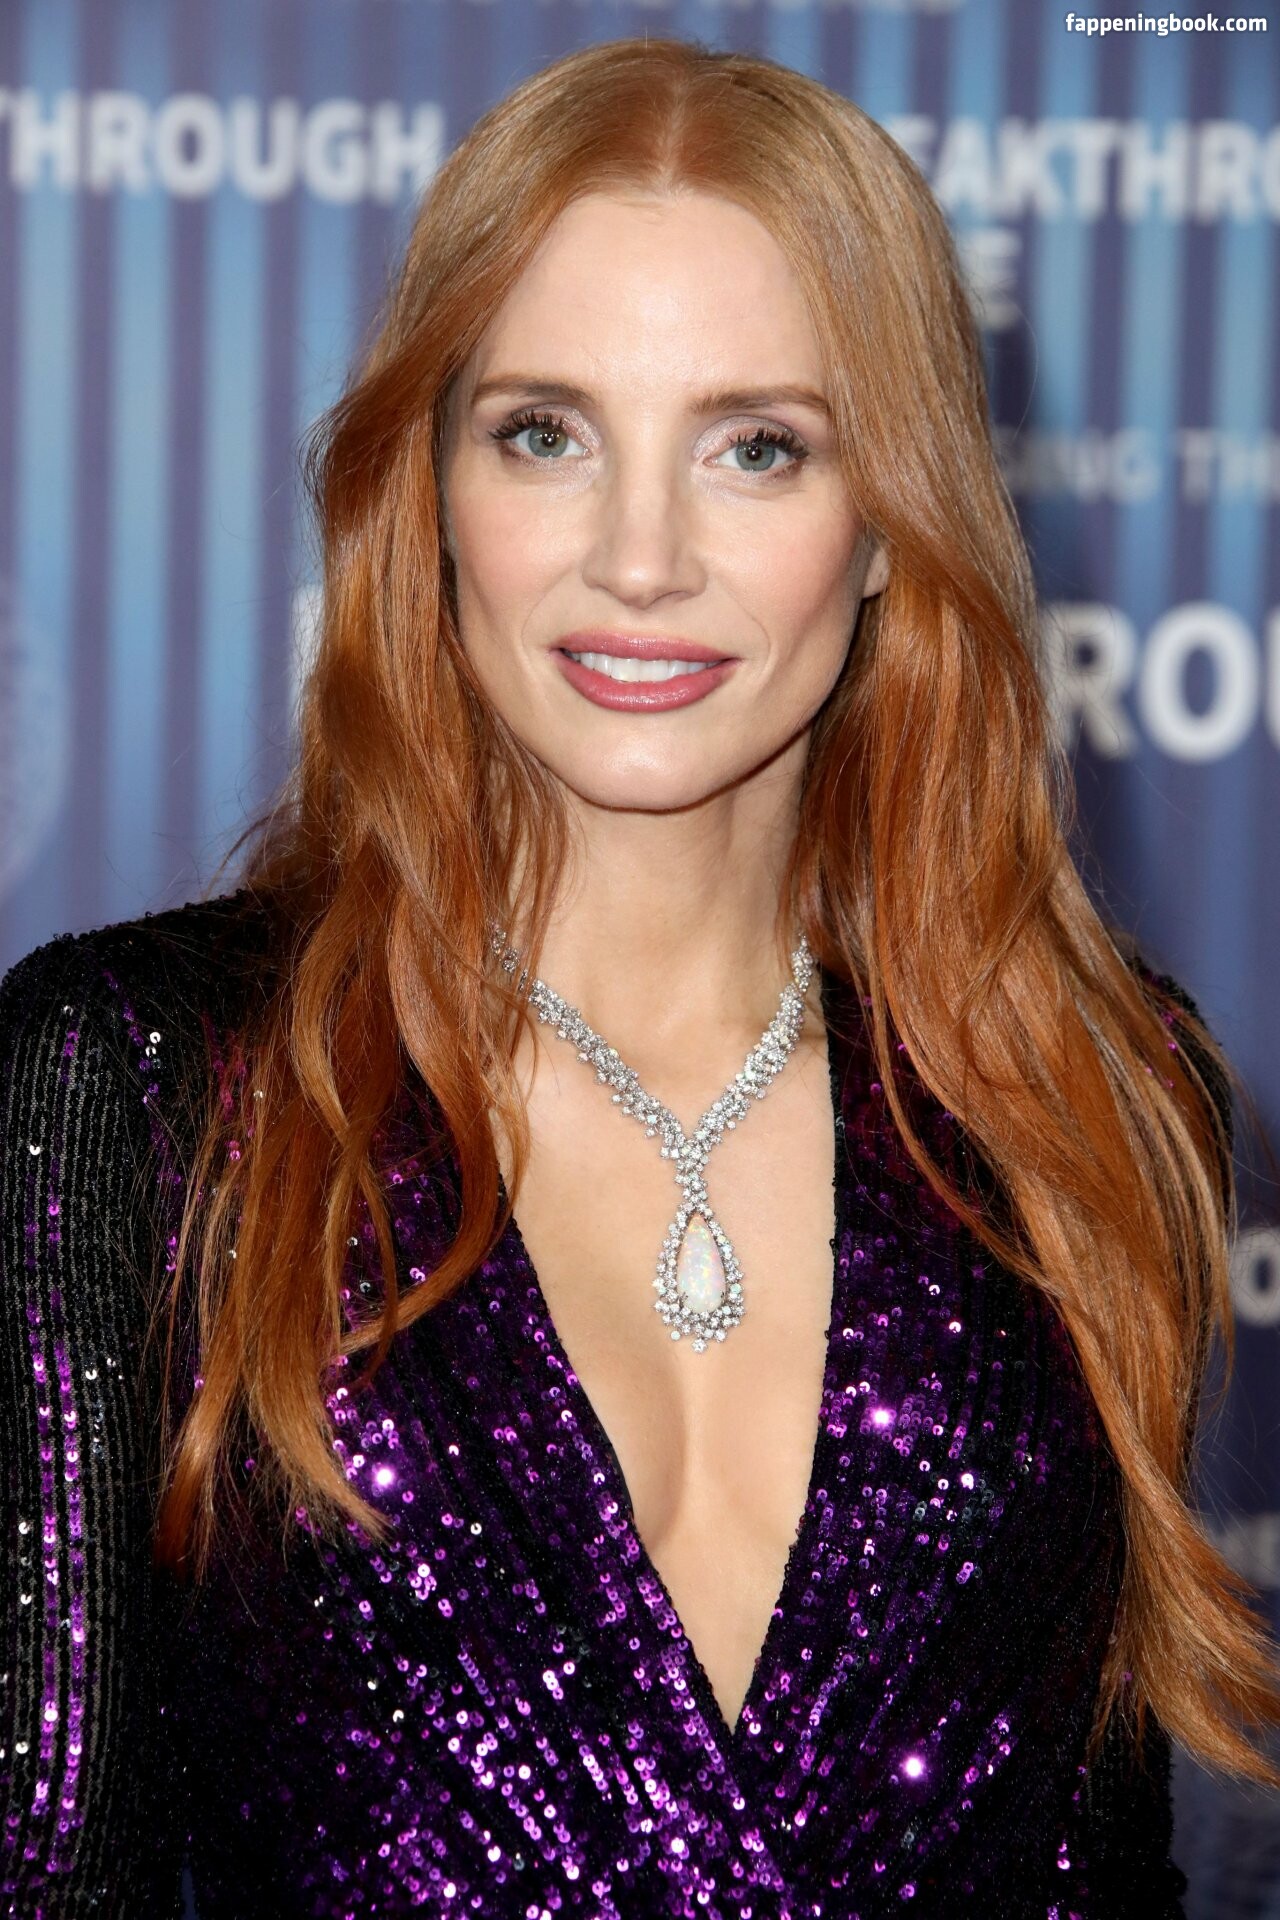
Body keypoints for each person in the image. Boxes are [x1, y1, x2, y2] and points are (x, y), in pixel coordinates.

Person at [2, 35, 1277, 1919]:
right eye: (547, 432)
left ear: (887, 524)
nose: (642, 558)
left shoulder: (1088, 1098)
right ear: (428, 487)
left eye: (758, 446)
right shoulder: (147, 1088)